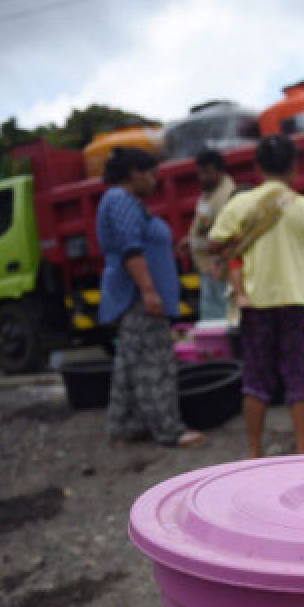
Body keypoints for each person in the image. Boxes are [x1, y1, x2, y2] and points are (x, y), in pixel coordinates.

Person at [208, 135, 304, 458]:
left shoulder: (240, 204)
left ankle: (253, 452)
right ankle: (302, 449)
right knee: (300, 376)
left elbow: (214, 245)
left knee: (256, 378)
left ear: (258, 166)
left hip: (256, 304)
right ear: (294, 165)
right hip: (298, 302)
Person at [97, 148, 205, 449]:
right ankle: (169, 430)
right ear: (134, 173)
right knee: (155, 366)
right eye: (151, 174)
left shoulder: (126, 203)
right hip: (138, 298)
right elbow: (130, 249)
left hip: (136, 298)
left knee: (131, 366)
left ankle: (125, 426)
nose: (155, 181)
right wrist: (148, 289)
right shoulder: (121, 201)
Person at [178, 150, 236, 321]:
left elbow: (226, 236)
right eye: (200, 173)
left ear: (220, 171)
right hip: (209, 269)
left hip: (221, 269)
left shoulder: (225, 195)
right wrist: (191, 241)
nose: (202, 177)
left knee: (221, 320)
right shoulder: (209, 193)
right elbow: (206, 226)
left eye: (207, 172)